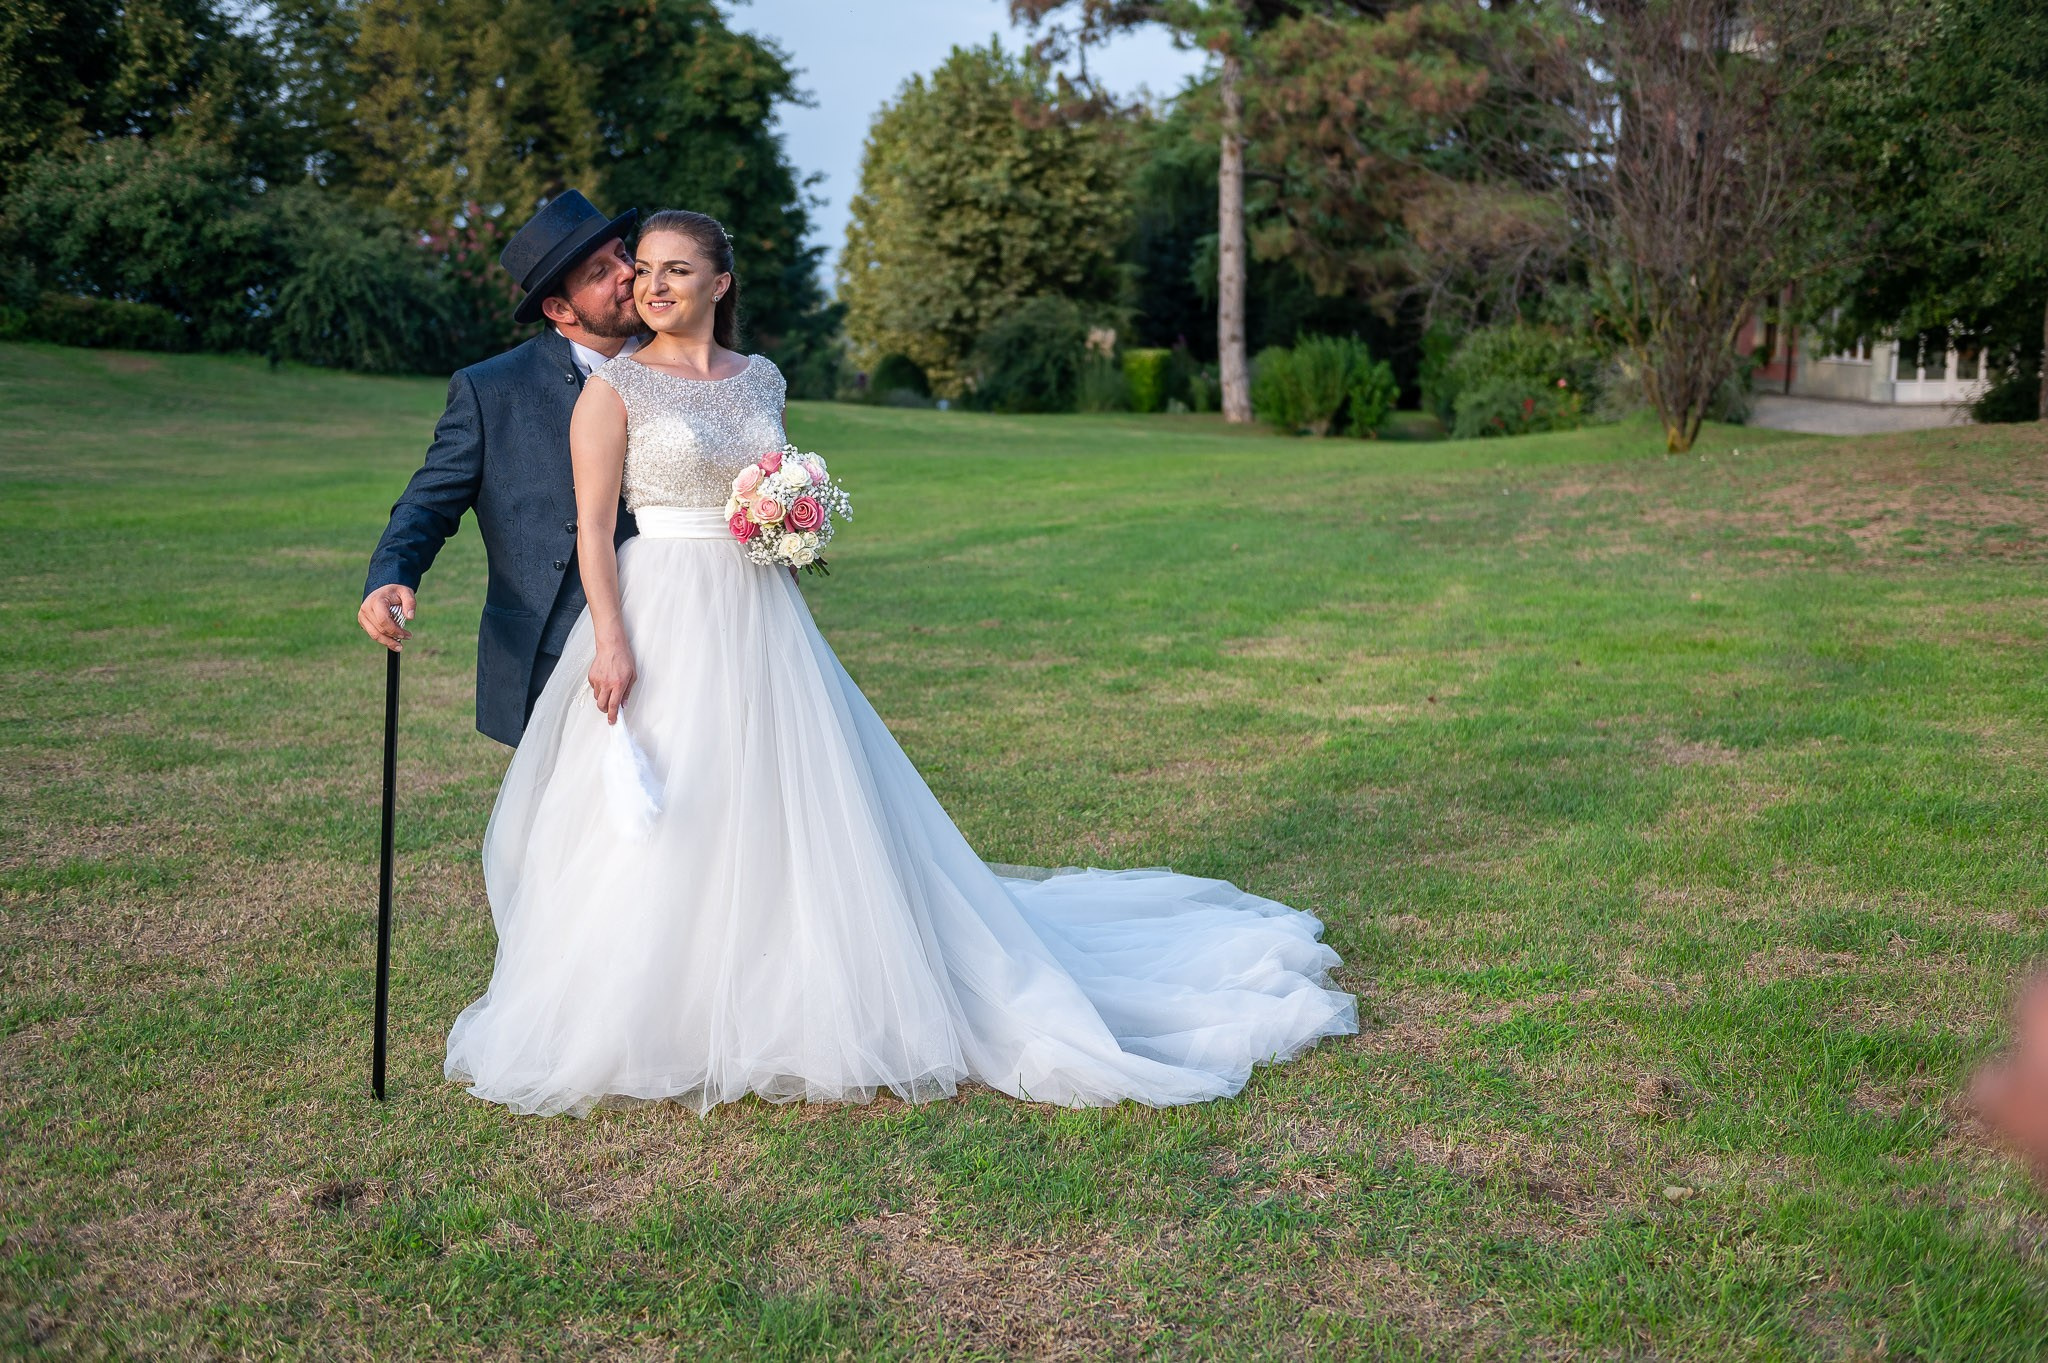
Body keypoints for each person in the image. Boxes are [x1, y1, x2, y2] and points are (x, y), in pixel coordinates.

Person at [442, 209, 1359, 1118]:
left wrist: (787, 518)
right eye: (643, 269)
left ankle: (799, 978)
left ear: (720, 284)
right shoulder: (614, 392)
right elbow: (596, 534)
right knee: (677, 796)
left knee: (784, 789)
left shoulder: (761, 377)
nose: (653, 285)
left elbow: (765, 475)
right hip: (662, 607)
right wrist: (611, 640)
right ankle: (654, 1001)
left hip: (758, 612)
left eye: (677, 269)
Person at [358, 191, 646, 746]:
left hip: (673, 624)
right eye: (600, 271)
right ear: (559, 310)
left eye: (623, 254)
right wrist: (392, 572)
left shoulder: (687, 361)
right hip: (546, 645)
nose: (629, 274)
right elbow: (431, 499)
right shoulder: (491, 390)